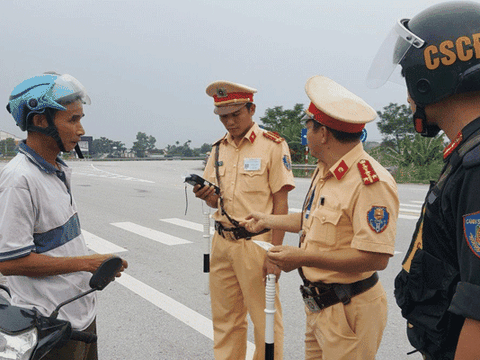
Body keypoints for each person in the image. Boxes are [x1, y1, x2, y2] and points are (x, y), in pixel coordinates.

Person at [242, 75, 399, 360]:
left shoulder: (370, 182)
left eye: (308, 127)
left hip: (349, 311)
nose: (306, 134)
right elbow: (314, 219)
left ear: (323, 133)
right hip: (319, 307)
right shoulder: (325, 169)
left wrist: (301, 258)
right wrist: (268, 220)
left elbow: (376, 258)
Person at [367, 2, 480, 359]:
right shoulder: (467, 154)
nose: (407, 96)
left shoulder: (477, 167)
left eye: (407, 79)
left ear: (429, 77)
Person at [0, 72, 128, 360]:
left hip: (79, 316)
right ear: (40, 121)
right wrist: (86, 263)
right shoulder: (19, 180)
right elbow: (9, 262)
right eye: (73, 120)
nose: (81, 130)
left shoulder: (56, 170)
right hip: (49, 325)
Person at [193, 80, 295, 360]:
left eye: (235, 114)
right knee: (225, 321)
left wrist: (275, 254)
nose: (229, 122)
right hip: (222, 243)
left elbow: (281, 204)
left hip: (256, 244)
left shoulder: (273, 146)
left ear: (252, 109)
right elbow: (218, 200)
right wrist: (206, 195)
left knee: (265, 322)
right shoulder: (218, 148)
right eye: (223, 117)